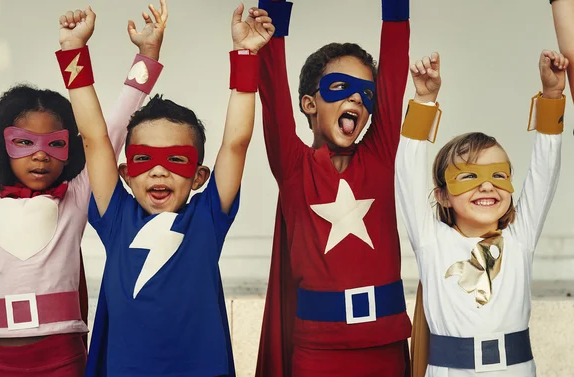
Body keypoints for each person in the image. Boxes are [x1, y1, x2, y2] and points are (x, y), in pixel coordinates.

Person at [60, 5, 274, 376]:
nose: (159, 170)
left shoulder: (206, 219)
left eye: (176, 160)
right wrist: (73, 50)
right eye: (144, 159)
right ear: (125, 173)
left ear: (199, 176)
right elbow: (94, 138)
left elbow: (236, 142)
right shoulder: (116, 217)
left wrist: (246, 54)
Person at [0, 2, 167, 376]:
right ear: (1, 144)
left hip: (63, 355)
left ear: (71, 149)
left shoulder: (75, 197)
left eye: (55, 144)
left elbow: (109, 132)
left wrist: (136, 56)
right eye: (24, 143)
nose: (41, 155)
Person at [254, 0, 412, 375]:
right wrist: (272, 21)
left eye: (365, 93)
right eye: (340, 87)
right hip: (318, 350)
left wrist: (396, 10)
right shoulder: (294, 168)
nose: (357, 97)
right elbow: (272, 96)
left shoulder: (379, 156)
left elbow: (392, 79)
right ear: (310, 103)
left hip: (384, 344)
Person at [397, 50, 567, 376]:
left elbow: (545, 171)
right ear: (442, 196)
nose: (487, 187)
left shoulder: (520, 238)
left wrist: (551, 96)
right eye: (469, 177)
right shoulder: (432, 241)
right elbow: (406, 173)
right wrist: (425, 101)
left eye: (498, 176)